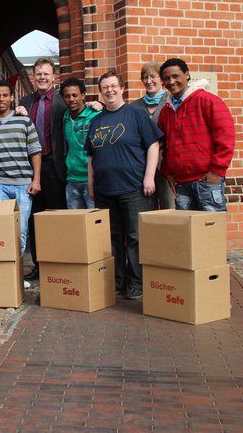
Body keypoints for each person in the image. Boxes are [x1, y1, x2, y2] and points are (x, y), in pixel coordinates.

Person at [85, 71, 162, 301]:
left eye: (113, 86)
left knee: (136, 238)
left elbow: (153, 145)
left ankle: (136, 283)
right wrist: (91, 184)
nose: (109, 90)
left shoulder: (135, 114)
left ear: (122, 88)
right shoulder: (96, 121)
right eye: (105, 87)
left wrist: (149, 177)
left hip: (134, 188)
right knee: (112, 238)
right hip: (105, 190)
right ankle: (118, 282)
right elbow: (91, 156)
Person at [158, 58, 235, 212]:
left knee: (209, 231)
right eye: (166, 78)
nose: (171, 81)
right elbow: (165, 147)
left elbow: (226, 137)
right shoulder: (166, 111)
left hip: (207, 180)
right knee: (186, 233)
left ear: (186, 74)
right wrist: (168, 173)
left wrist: (216, 171)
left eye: (175, 76)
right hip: (181, 184)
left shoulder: (207, 100)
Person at [0, 79, 42, 262]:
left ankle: (14, 275)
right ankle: (1, 273)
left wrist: (36, 180)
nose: (1, 99)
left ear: (12, 97)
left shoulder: (24, 121)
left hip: (23, 185)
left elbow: (35, 151)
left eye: (5, 95)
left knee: (20, 232)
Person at [18, 57, 67, 282]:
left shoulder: (62, 100)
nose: (42, 77)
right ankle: (38, 264)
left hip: (55, 166)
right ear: (33, 76)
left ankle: (57, 262)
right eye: (38, 74)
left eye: (46, 74)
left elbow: (80, 111)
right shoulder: (25, 102)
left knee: (55, 218)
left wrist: (98, 105)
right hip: (30, 169)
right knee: (34, 219)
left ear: (53, 76)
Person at [131, 62, 175, 209]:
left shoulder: (172, 102)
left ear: (162, 79)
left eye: (153, 77)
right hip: (142, 166)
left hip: (167, 165)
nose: (149, 81)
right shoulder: (134, 107)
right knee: (145, 209)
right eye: (145, 77)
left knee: (169, 207)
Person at [61, 77, 100, 209]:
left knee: (96, 223)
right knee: (76, 224)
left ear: (83, 95)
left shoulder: (96, 115)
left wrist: (102, 104)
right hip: (72, 179)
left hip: (92, 179)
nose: (71, 99)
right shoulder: (65, 117)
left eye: (75, 95)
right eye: (67, 96)